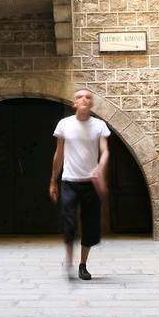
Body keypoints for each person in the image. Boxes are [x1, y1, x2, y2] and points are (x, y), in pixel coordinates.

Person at [49, 88, 110, 280]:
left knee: (90, 224)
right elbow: (58, 154)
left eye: (88, 97)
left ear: (91, 103)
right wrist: (53, 180)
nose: (84, 99)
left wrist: (100, 167)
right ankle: (68, 261)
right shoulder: (64, 124)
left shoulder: (99, 125)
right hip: (69, 181)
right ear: (74, 103)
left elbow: (105, 150)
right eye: (79, 97)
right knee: (69, 223)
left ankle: (83, 265)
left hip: (90, 183)